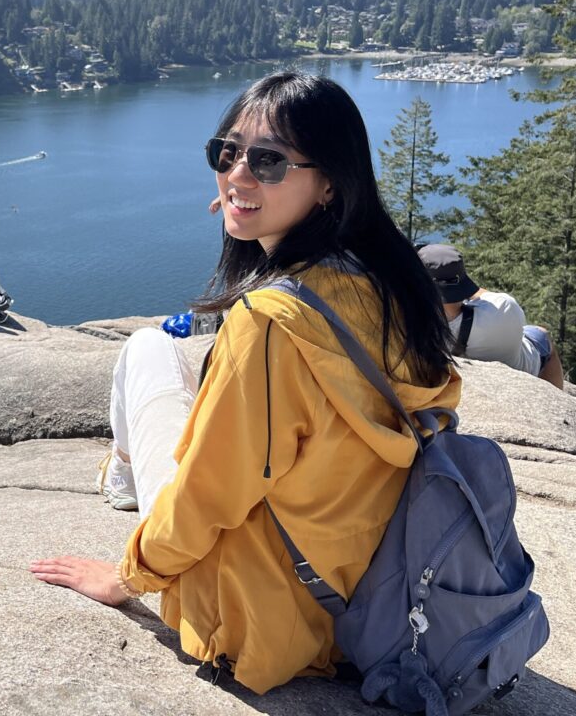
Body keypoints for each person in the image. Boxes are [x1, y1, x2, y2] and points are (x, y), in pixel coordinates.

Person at [30, 71, 460, 694]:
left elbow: (209, 494)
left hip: (257, 615)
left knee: (149, 348)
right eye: (226, 154)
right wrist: (256, 210)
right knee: (190, 364)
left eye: (270, 162)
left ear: (330, 183)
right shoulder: (395, 283)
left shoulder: (269, 326)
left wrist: (125, 578)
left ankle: (122, 478)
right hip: (363, 589)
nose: (237, 174)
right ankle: (124, 473)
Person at [417, 243, 565, 390]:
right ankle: (557, 398)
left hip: (454, 379)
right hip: (518, 375)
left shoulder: (416, 324)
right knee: (541, 334)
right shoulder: (504, 307)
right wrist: (459, 283)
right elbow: (482, 294)